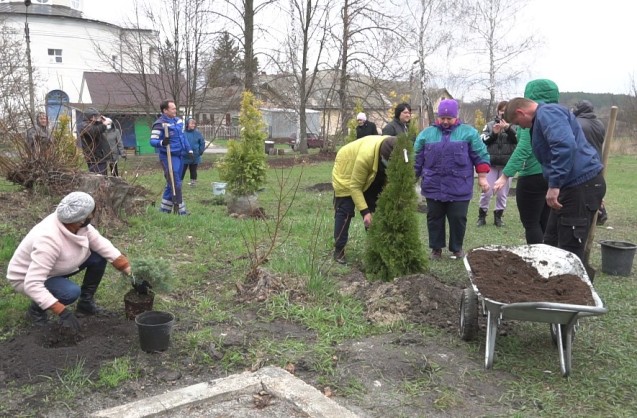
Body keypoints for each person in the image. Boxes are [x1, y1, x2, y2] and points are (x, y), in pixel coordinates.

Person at [6, 192, 132, 333]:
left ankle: (86, 304)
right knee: (69, 292)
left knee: (98, 256)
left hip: (55, 267)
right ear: (80, 220)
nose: (92, 216)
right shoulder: (48, 240)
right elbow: (33, 283)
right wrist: (61, 311)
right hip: (27, 277)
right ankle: (36, 312)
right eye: (90, 214)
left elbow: (100, 243)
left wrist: (129, 271)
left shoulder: (76, 224)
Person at [504, 97, 606, 264]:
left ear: (520, 112)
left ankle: (569, 287)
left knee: (569, 249)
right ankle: (549, 285)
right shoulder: (543, 116)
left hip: (581, 185)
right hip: (572, 186)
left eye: (517, 122)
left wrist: (554, 184)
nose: (520, 126)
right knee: (551, 240)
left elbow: (564, 146)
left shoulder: (548, 113)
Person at [414, 99, 490, 260]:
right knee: (434, 218)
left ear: (456, 117)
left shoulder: (469, 133)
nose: (446, 122)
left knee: (458, 218)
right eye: (442, 118)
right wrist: (411, 178)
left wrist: (482, 178)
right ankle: (436, 249)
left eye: (449, 118)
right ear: (438, 117)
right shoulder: (426, 134)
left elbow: (480, 155)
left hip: (459, 185)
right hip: (433, 184)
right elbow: (417, 159)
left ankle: (457, 248)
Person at [493, 79, 557, 244]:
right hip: (552, 176)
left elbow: (524, 149)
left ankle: (537, 260)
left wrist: (504, 176)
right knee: (545, 221)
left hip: (532, 176)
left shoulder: (532, 119)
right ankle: (548, 259)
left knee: (531, 223)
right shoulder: (557, 117)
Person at [331, 135, 397, 264]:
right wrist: (365, 212)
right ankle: (339, 250)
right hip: (347, 168)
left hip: (372, 172)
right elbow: (355, 187)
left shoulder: (395, 145)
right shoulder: (366, 157)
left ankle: (375, 248)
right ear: (383, 157)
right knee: (345, 210)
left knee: (375, 210)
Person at [477, 101, 517, 227]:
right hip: (491, 164)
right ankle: (482, 216)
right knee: (487, 192)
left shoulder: (515, 125)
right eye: (501, 110)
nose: (503, 112)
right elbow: (483, 141)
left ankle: (498, 217)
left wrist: (508, 129)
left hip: (506, 165)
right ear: (498, 111)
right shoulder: (489, 125)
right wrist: (494, 134)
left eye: (506, 110)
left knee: (502, 193)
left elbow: (517, 140)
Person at [150, 99, 193, 215]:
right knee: (175, 183)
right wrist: (162, 143)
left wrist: (188, 149)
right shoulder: (159, 124)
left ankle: (164, 210)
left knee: (172, 184)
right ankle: (181, 211)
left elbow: (183, 137)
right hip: (168, 157)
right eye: (173, 108)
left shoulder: (178, 121)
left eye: (175, 108)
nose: (175, 110)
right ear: (165, 110)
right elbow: (152, 141)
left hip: (179, 156)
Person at [573, 100, 609, 225]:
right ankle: (601, 212)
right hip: (597, 161)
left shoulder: (577, 124)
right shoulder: (599, 124)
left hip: (585, 162)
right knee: (595, 191)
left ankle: (599, 213)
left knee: (585, 194)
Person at [79, 108, 112, 175]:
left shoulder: (94, 124)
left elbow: (108, 124)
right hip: (94, 158)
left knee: (103, 178)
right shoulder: (84, 125)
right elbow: (93, 131)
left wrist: (103, 120)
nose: (97, 118)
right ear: (91, 117)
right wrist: (104, 124)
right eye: (95, 116)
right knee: (98, 178)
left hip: (100, 157)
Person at [181, 118, 206, 186]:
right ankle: (179, 183)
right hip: (184, 156)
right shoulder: (183, 133)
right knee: (182, 170)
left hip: (195, 155)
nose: (193, 125)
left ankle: (193, 183)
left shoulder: (197, 133)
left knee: (193, 170)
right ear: (187, 124)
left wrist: (200, 152)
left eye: (194, 124)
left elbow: (202, 143)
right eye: (191, 123)